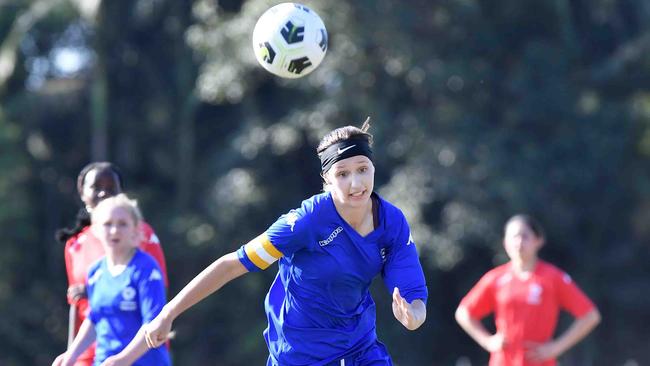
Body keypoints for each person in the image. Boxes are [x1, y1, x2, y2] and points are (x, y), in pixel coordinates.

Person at [100, 119, 428, 366]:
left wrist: (414, 315)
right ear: (326, 180)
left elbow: (412, 294)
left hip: (359, 347)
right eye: (342, 173)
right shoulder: (306, 222)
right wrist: (168, 313)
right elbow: (232, 264)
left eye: (362, 169)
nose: (355, 183)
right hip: (299, 353)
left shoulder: (392, 222)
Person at [55, 162, 169, 366]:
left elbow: (155, 322)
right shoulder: (96, 270)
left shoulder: (145, 268)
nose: (114, 231)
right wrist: (70, 355)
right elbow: (93, 317)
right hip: (101, 360)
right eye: (107, 225)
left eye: (122, 225)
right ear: (97, 230)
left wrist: (123, 359)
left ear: (137, 231)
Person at [455, 214, 601, 366]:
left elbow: (590, 315)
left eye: (524, 236)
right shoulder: (496, 278)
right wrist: (487, 341)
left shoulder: (552, 278)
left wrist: (556, 347)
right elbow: (464, 312)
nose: (518, 243)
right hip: (503, 361)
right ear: (505, 242)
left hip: (540, 362)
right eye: (513, 237)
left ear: (538, 240)